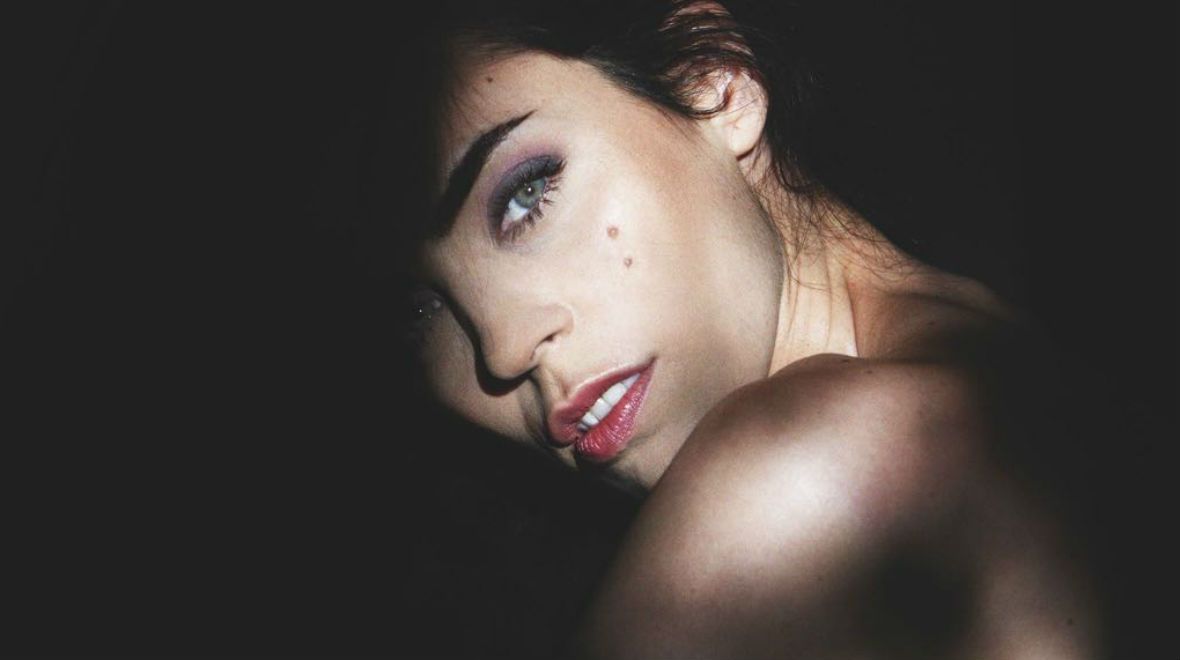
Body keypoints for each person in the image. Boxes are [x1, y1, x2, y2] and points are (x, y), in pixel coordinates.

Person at [396, 0, 1100, 656]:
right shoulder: (1003, 356)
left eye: (526, 193)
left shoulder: (800, 473)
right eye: (416, 309)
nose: (502, 349)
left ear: (715, 83)